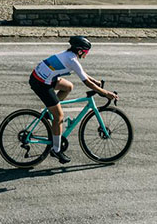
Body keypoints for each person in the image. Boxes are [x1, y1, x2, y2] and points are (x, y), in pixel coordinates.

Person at [29, 35, 117, 164]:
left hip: (45, 77)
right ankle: (56, 150)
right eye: (86, 52)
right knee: (59, 117)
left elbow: (83, 73)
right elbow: (86, 82)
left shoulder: (70, 56)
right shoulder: (71, 60)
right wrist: (105, 93)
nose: (87, 54)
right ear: (80, 50)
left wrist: (96, 82)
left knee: (68, 87)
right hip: (41, 83)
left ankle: (49, 112)